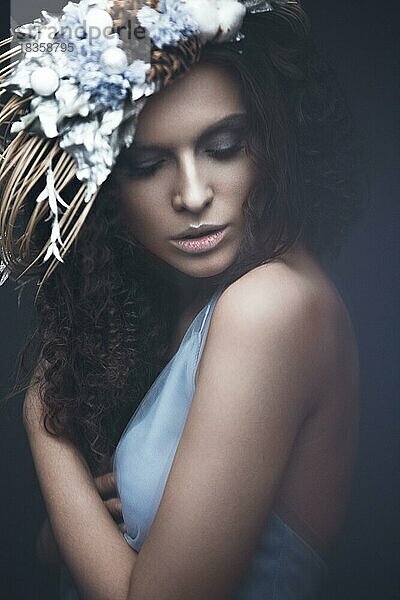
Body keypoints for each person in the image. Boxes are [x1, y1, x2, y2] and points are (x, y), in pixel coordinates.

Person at [0, 1, 364, 598]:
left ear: (269, 143)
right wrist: (68, 529)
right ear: (106, 188)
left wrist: (43, 427)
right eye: (147, 165)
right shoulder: (193, 304)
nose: (193, 195)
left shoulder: (270, 307)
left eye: (224, 147)